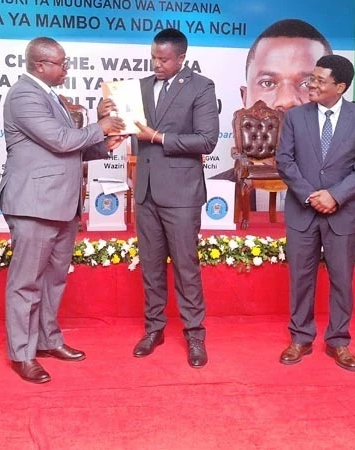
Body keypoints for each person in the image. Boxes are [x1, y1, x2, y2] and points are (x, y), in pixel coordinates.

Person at [0, 37, 125, 383]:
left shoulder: (52, 97)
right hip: (35, 204)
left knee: (54, 279)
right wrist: (100, 126)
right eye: (61, 63)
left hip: (62, 204)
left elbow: (72, 148)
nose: (66, 69)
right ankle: (22, 353)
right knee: (26, 283)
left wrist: (103, 143)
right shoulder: (24, 95)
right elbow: (59, 140)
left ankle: (48, 340)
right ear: (40, 65)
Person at [275, 55, 355, 372]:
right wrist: (310, 195)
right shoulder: (295, 118)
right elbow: (285, 162)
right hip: (302, 211)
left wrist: (335, 195)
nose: (311, 85)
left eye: (319, 81)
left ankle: (339, 341)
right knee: (301, 278)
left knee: (341, 280)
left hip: (343, 213)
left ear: (341, 86)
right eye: (311, 78)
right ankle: (300, 337)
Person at [130, 28, 220, 368]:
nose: (156, 64)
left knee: (185, 267)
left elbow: (207, 140)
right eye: (153, 57)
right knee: (151, 267)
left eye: (164, 59)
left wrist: (158, 137)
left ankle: (195, 334)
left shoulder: (201, 87)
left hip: (181, 193)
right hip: (146, 191)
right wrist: (105, 113)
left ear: (181, 58)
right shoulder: (138, 87)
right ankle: (154, 329)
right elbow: (124, 124)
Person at [211, 19, 332, 211]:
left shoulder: (341, 185)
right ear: (245, 98)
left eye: (307, 83)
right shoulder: (216, 192)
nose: (286, 100)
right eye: (268, 83)